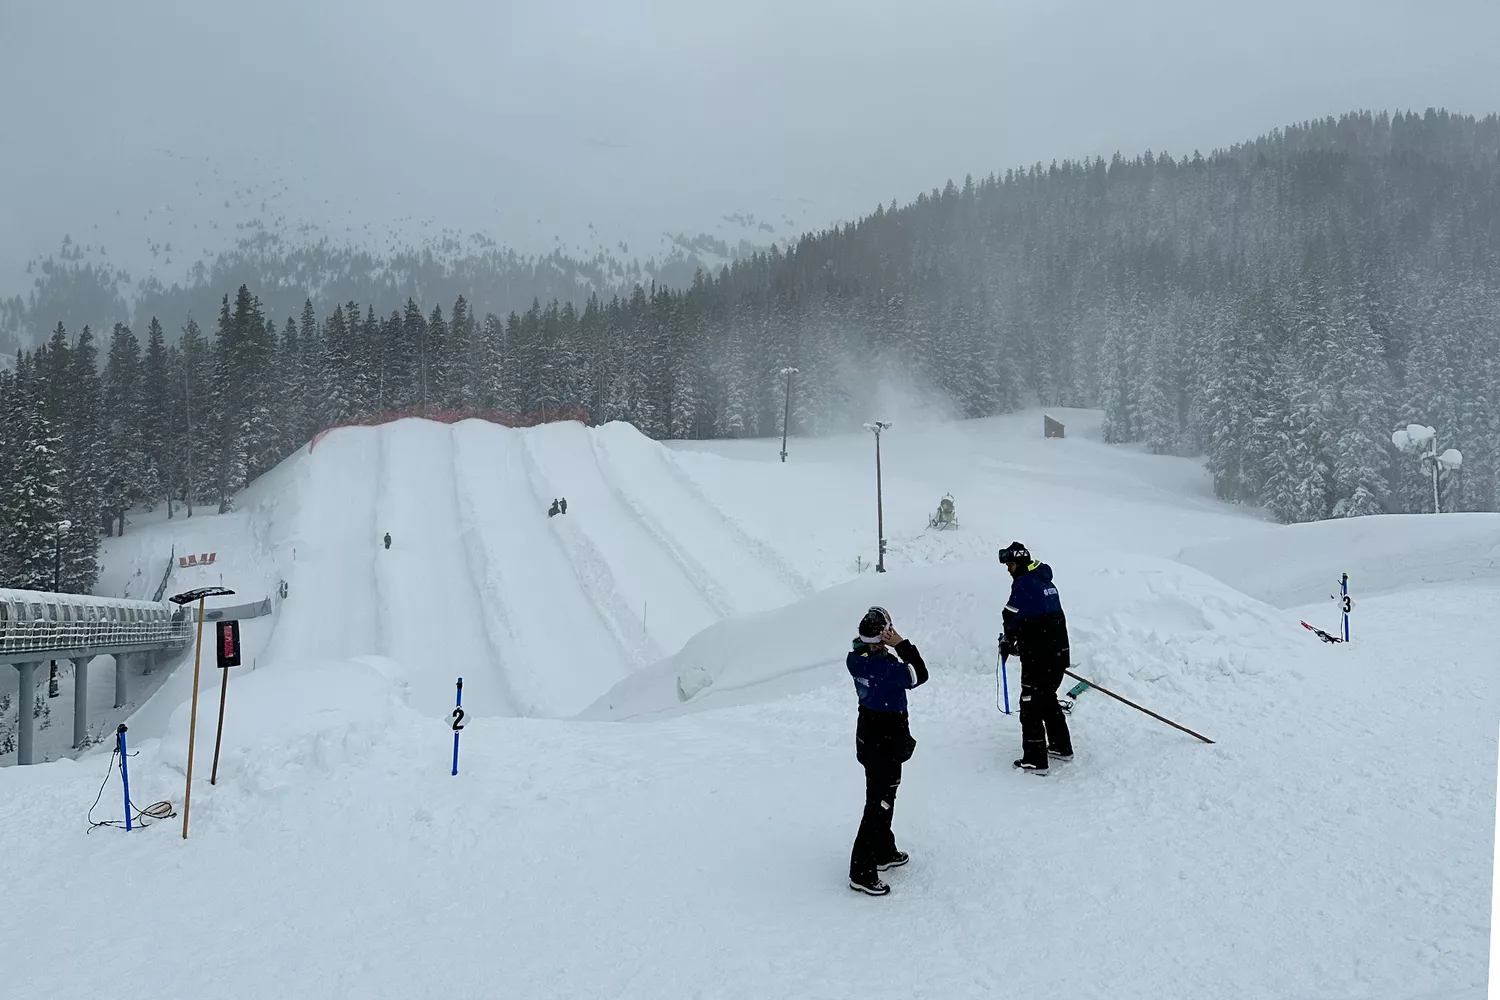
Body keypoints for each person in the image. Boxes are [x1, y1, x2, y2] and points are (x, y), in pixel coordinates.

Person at [845, 605, 929, 895]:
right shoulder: (884, 666)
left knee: (884, 795)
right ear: (881, 638)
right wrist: (902, 644)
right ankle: (861, 871)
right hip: (885, 739)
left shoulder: (856, 658)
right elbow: (919, 675)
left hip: (872, 735)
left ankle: (882, 851)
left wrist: (882, 645)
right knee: (878, 803)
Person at [998, 542, 1073, 773]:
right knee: (1047, 698)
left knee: (1030, 703)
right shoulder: (1044, 580)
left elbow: (1010, 615)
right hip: (1057, 654)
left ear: (1017, 563)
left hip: (1040, 658)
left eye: (1009, 564)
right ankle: (1061, 747)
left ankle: (1035, 759)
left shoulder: (1025, 583)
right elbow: (1040, 620)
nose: (1008, 569)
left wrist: (1008, 641)